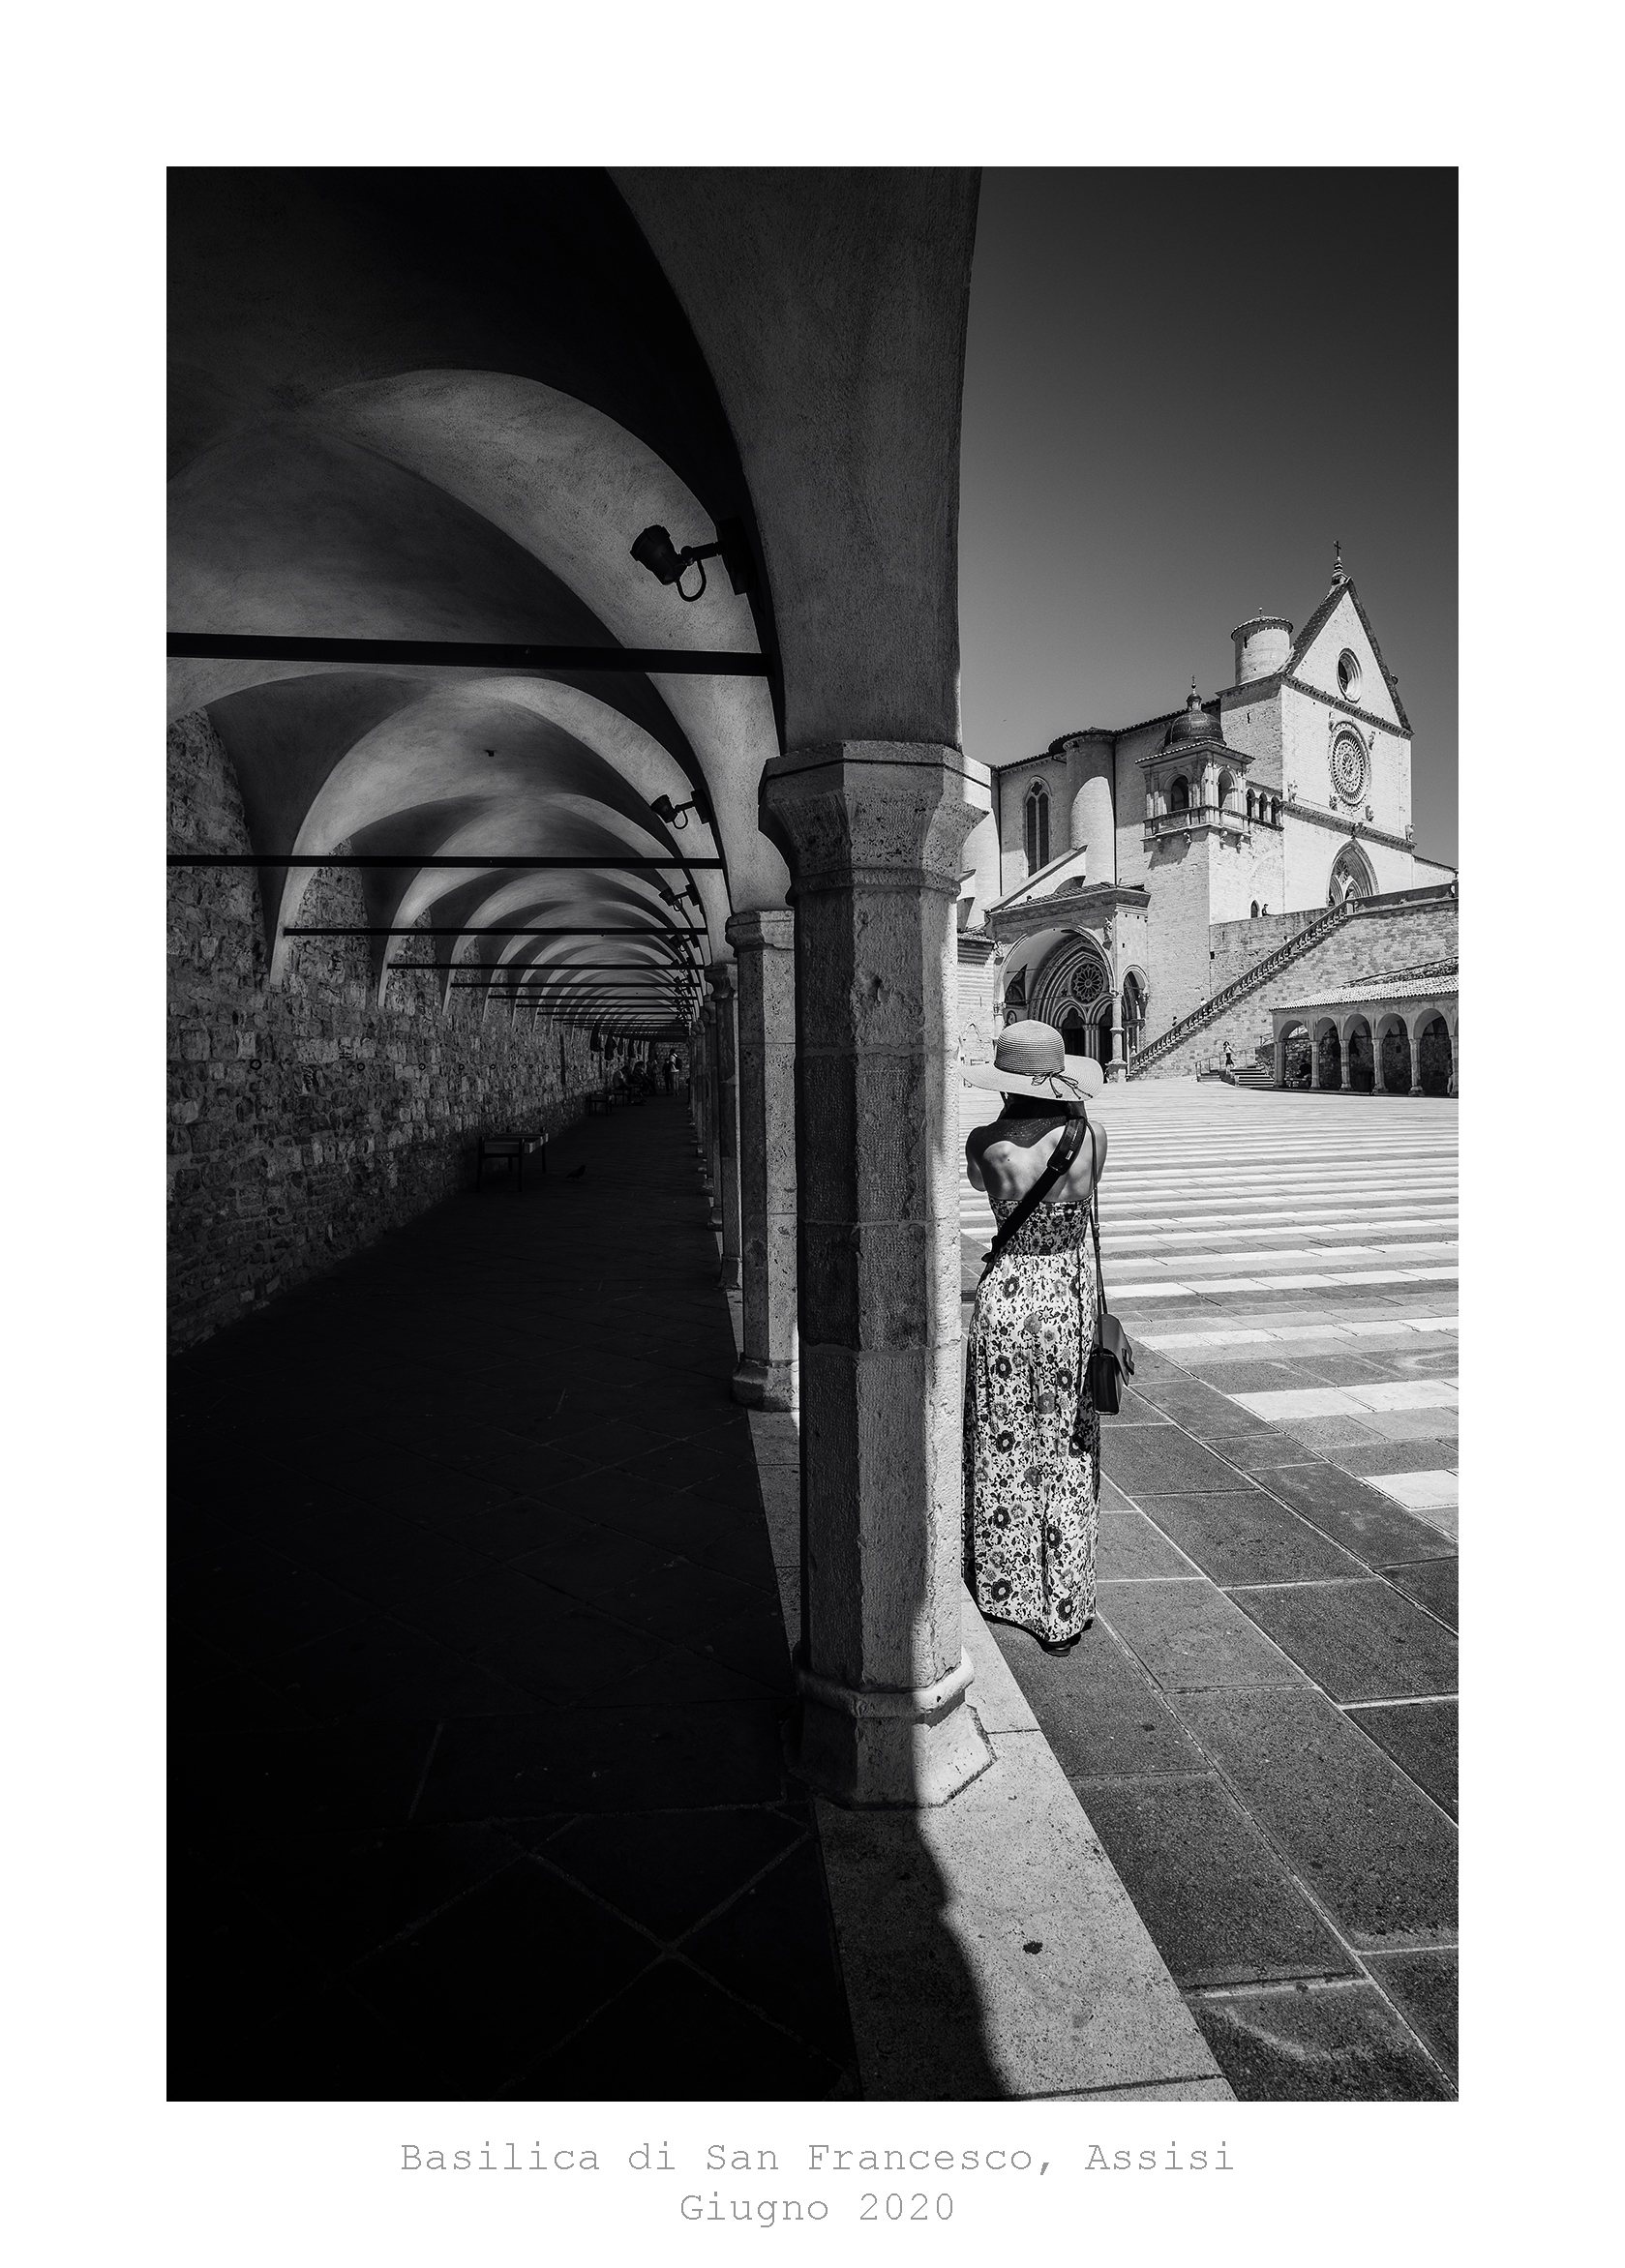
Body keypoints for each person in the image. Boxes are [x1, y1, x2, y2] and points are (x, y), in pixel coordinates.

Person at [960, 1021, 1108, 1656]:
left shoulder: (986, 1143)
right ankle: (1064, 1597)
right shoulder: (1091, 1136)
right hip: (1067, 1300)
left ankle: (1008, 1587)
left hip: (1008, 1295)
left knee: (1003, 1437)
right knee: (1064, 1446)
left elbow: (978, 1188)